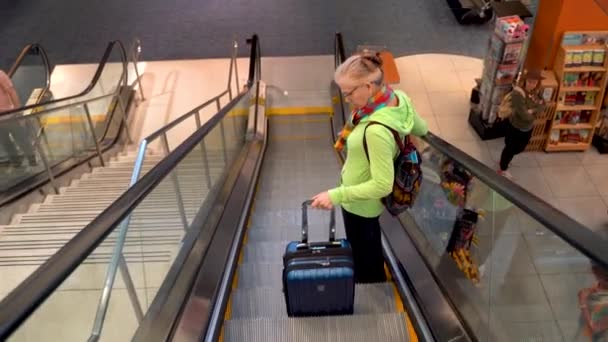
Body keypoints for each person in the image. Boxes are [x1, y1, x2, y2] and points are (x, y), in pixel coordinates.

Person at [310, 52, 428, 283]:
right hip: (365, 203)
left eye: (348, 93)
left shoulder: (375, 130)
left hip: (360, 204)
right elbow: (422, 127)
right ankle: (372, 273)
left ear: (368, 86)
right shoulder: (399, 98)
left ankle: (370, 282)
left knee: (363, 248)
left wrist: (336, 195)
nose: (346, 100)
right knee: (369, 240)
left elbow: (382, 185)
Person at [497, 70, 545, 179]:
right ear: (525, 81)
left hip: (527, 128)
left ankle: (505, 161)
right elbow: (523, 115)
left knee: (519, 148)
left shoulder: (535, 92)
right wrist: (534, 113)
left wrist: (532, 110)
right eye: (530, 81)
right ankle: (503, 168)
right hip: (516, 127)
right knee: (510, 148)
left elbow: (543, 105)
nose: (532, 84)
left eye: (535, 82)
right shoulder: (517, 94)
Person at [0, 69, 36, 168]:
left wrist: (18, 112)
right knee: (6, 143)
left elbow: (12, 92)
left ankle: (32, 161)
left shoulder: (0, 74)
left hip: (10, 115)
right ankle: (16, 163)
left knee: (21, 139)